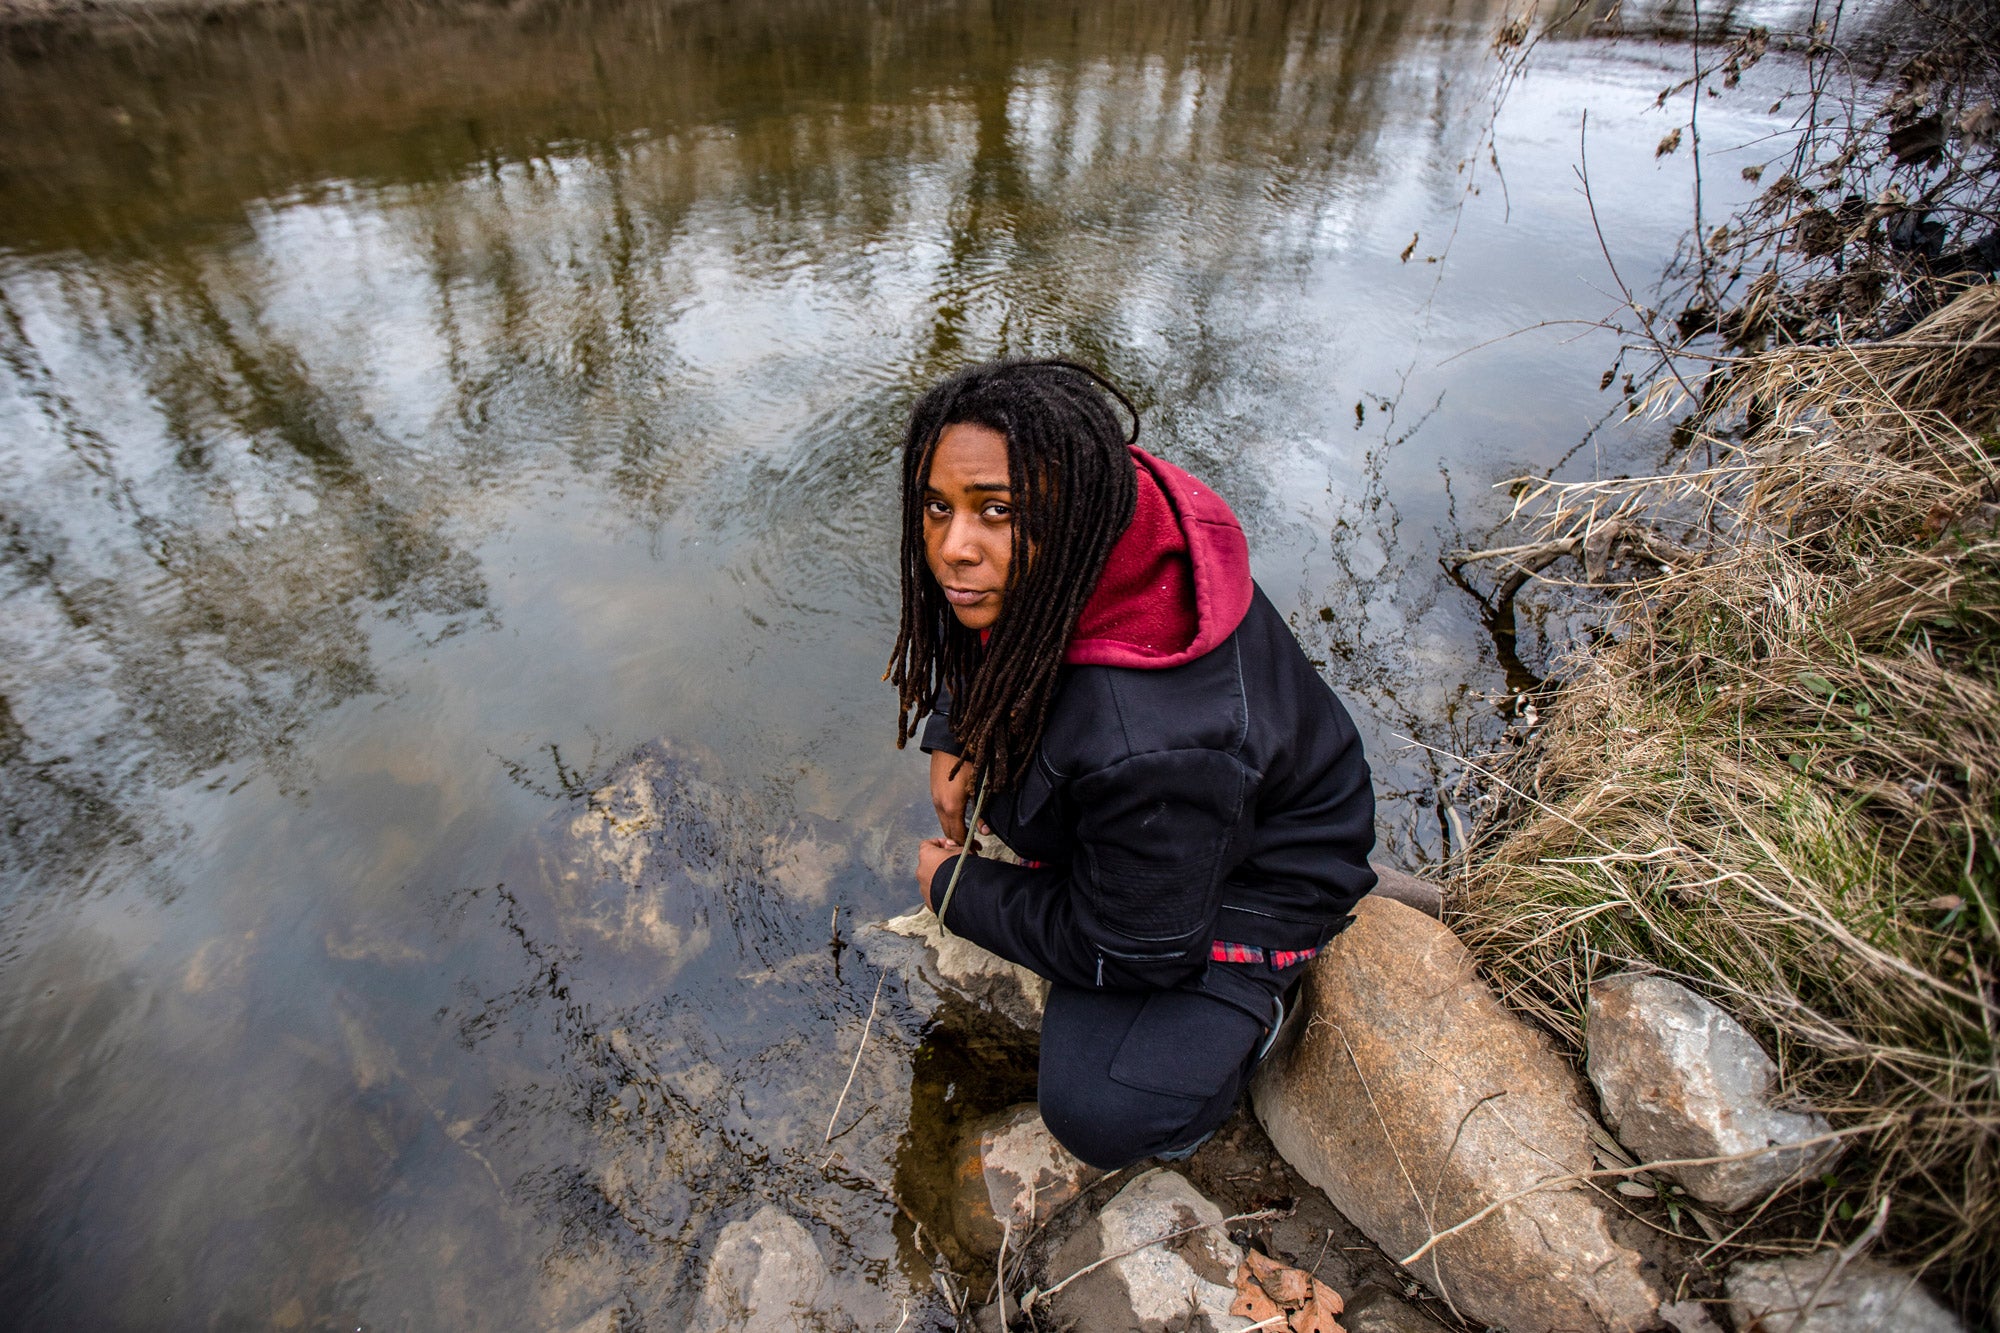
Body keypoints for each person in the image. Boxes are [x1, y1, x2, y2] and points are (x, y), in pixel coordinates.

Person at [888, 359, 1376, 1170]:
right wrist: (955, 727)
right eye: (939, 507)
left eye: (994, 513)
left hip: (1260, 880)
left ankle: (1257, 1014)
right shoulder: (1104, 508)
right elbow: (973, 632)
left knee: (1097, 1106)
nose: (950, 549)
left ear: (1070, 513)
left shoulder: (1150, 740)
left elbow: (1138, 951)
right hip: (1189, 807)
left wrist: (959, 894)